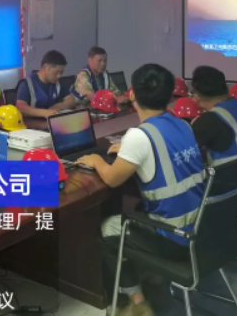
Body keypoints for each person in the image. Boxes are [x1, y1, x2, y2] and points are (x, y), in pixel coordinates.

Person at [77, 64, 204, 316]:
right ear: (170, 95)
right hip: (201, 225)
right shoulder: (183, 124)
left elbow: (112, 179)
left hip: (174, 237)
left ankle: (137, 302)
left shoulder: (139, 136)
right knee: (134, 207)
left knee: (106, 227)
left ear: (132, 94)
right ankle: (152, 276)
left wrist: (97, 161)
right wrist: (128, 151)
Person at [16, 50, 76, 118]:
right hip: (34, 122)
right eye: (56, 73)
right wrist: (45, 113)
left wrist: (59, 106)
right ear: (45, 68)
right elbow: (21, 107)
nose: (59, 76)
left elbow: (71, 100)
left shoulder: (57, 83)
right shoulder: (26, 84)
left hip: (54, 121)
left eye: (61, 73)